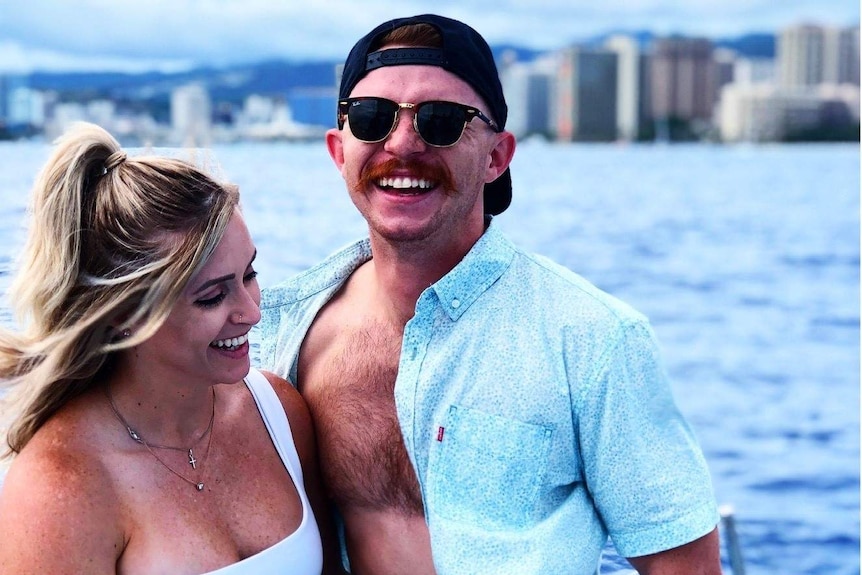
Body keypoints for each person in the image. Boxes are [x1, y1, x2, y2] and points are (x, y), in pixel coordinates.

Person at [255, 13, 722, 575]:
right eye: (373, 118)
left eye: (442, 121)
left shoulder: (593, 339)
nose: (402, 144)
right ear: (338, 150)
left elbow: (684, 567)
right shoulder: (281, 332)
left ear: (497, 156)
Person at [0, 122, 342, 574]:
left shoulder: (279, 415)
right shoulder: (59, 488)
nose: (251, 312)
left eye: (250, 275)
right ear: (122, 314)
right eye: (212, 296)